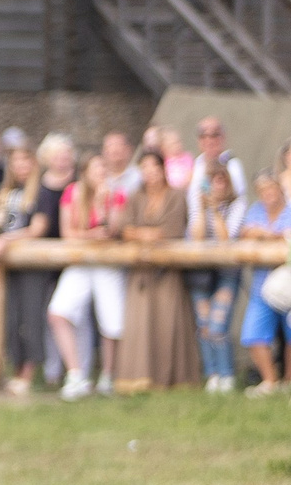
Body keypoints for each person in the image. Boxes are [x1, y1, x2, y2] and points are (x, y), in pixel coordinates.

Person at [110, 148, 195, 389]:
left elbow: (172, 230)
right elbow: (125, 229)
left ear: (162, 169)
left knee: (167, 322)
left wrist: (143, 233)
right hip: (141, 271)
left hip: (168, 270)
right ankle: (139, 378)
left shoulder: (176, 196)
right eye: (144, 168)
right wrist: (143, 234)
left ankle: (170, 378)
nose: (150, 173)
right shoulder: (135, 196)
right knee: (140, 324)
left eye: (154, 167)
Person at [0, 139, 54, 394]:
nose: (21, 167)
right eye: (16, 162)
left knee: (30, 317)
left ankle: (29, 373)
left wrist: (5, 240)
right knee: (11, 319)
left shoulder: (41, 192)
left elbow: (38, 228)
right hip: (6, 266)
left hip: (32, 264)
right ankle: (14, 369)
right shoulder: (4, 193)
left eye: (26, 161)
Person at [49, 153, 125, 397]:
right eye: (97, 168)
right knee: (58, 313)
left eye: (104, 168)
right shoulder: (73, 192)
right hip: (80, 262)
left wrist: (103, 203)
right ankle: (75, 374)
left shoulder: (117, 194)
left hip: (107, 263)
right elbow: (67, 233)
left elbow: (110, 231)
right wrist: (91, 236)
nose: (102, 173)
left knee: (111, 323)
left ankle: (108, 376)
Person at [189, 158, 240, 391]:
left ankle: (227, 374)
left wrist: (215, 211)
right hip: (202, 272)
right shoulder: (198, 206)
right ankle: (212, 375)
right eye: (212, 181)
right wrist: (202, 209)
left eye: (221, 180)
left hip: (226, 271)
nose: (217, 185)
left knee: (218, 324)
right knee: (204, 325)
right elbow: (197, 238)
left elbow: (224, 238)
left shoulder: (237, 205)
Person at [237, 174, 287, 394]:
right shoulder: (255, 210)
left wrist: (266, 235)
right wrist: (268, 234)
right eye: (263, 191)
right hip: (262, 286)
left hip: (287, 286)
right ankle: (270, 381)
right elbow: (245, 232)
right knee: (253, 333)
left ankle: (288, 381)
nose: (268, 194)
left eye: (271, 189)